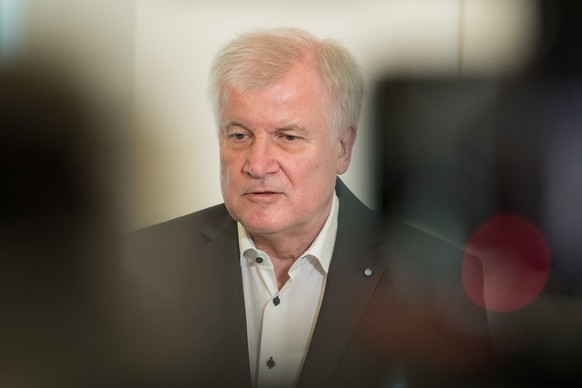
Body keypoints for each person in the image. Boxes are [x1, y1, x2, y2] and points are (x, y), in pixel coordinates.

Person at [119, 27, 494, 387]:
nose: (258, 164)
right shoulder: (140, 263)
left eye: (288, 137)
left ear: (342, 148)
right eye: (239, 135)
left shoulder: (435, 280)